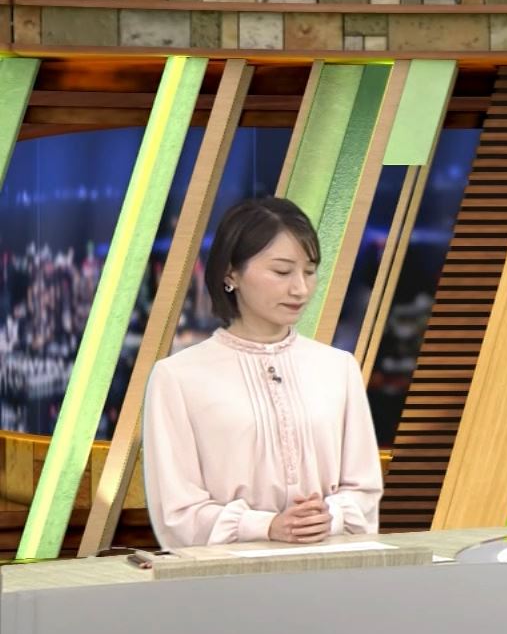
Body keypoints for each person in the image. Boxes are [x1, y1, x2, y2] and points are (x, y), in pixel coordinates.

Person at [142, 197, 382, 550]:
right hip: (229, 577)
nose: (300, 289)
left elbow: (365, 490)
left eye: (309, 271)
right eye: (282, 272)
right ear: (231, 273)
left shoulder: (338, 367)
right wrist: (267, 526)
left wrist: (328, 516)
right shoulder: (177, 377)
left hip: (331, 569)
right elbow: (176, 514)